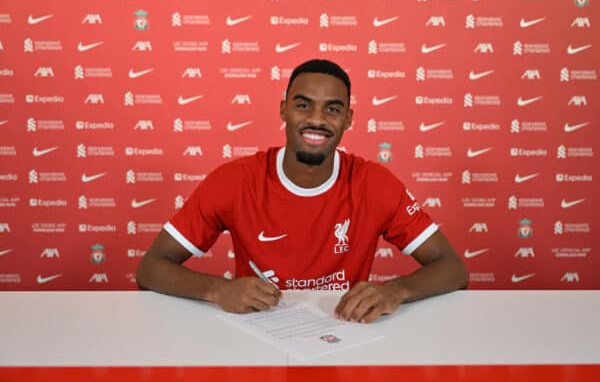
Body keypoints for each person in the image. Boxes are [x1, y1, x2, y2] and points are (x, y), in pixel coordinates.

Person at [136, 59, 468, 323]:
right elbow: (151, 268)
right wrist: (218, 290)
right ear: (283, 109)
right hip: (256, 330)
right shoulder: (234, 180)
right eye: (304, 105)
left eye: (333, 109)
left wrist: (397, 290)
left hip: (342, 331)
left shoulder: (374, 183)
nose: (317, 120)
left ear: (349, 118)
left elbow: (452, 268)